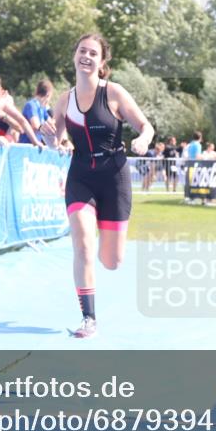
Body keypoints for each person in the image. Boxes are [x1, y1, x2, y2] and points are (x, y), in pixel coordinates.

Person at [49, 33, 153, 338]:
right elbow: (56, 140)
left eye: (93, 53)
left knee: (111, 260)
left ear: (101, 62)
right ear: (74, 56)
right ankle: (89, 318)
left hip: (113, 176)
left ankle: (108, 251)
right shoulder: (64, 100)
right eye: (82, 51)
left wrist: (143, 139)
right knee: (82, 244)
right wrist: (49, 136)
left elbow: (145, 126)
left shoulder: (114, 93)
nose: (86, 56)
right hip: (80, 175)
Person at [19, 78, 54, 144]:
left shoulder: (42, 108)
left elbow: (52, 124)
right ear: (48, 95)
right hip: (27, 146)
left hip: (36, 146)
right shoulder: (31, 105)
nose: (49, 101)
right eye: (50, 97)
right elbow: (36, 125)